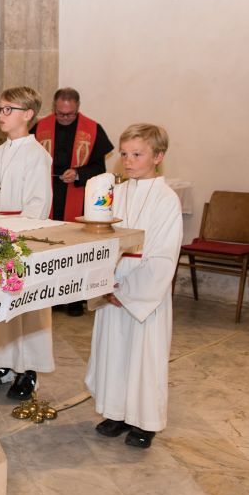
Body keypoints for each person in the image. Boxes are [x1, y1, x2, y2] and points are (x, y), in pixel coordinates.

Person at [85, 124, 182, 449]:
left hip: (142, 290)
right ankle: (116, 412)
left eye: (137, 154)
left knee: (144, 356)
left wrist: (127, 292)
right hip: (112, 281)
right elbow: (100, 238)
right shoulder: (115, 193)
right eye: (124, 154)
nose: (128, 161)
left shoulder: (166, 199)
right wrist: (104, 282)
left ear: (158, 156)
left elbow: (164, 255)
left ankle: (144, 421)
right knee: (113, 352)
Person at [0, 86, 54, 400]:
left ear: (28, 114)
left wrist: (13, 236)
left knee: (27, 306)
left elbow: (38, 205)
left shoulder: (37, 156)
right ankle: (0, 362)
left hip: (23, 240)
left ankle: (28, 370)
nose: (1, 115)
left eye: (9, 109)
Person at [32, 87, 114, 316]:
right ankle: (50, 297)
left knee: (75, 249)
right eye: (60, 113)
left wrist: (78, 173)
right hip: (47, 195)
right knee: (48, 247)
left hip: (77, 196)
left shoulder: (92, 129)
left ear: (77, 109)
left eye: (69, 114)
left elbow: (99, 169)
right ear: (54, 108)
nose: (64, 118)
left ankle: (75, 300)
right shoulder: (40, 127)